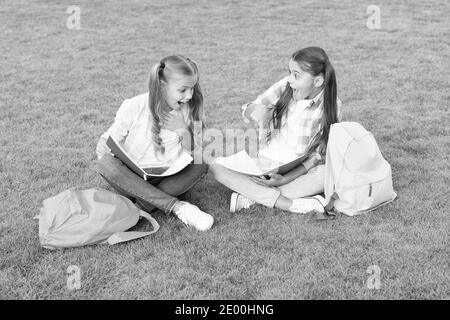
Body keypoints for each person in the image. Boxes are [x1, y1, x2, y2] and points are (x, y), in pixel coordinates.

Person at [210, 47, 342, 214]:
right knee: (216, 166)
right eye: (289, 72)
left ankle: (250, 197)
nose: (290, 79)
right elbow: (248, 107)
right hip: (266, 164)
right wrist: (255, 111)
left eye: (296, 75)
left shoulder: (331, 106)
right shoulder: (286, 86)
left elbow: (318, 155)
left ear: (317, 82)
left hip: (296, 171)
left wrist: (284, 179)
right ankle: (288, 204)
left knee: (326, 174)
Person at [93, 54, 213, 231]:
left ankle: (140, 206)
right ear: (162, 86)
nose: (189, 95)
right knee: (105, 163)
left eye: (192, 89)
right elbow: (111, 136)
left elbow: (194, 151)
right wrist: (103, 142)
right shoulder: (134, 106)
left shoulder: (189, 111)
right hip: (132, 177)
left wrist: (182, 130)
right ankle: (177, 207)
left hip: (168, 178)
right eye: (183, 90)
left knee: (201, 162)